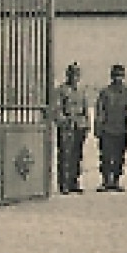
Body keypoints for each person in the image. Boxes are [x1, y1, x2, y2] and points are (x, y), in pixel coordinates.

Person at [93, 64, 127, 192]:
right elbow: (99, 110)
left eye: (120, 76)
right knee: (106, 156)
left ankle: (116, 181)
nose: (117, 79)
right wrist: (97, 128)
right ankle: (105, 181)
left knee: (119, 157)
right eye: (115, 76)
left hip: (122, 129)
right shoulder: (105, 92)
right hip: (107, 129)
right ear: (111, 77)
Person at [52, 63, 91, 193]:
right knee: (65, 155)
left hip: (79, 125)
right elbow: (56, 109)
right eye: (72, 74)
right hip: (67, 126)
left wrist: (86, 125)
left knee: (77, 156)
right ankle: (64, 184)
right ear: (67, 75)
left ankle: (74, 182)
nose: (74, 77)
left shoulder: (81, 91)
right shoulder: (61, 90)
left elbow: (85, 109)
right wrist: (63, 121)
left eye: (76, 75)